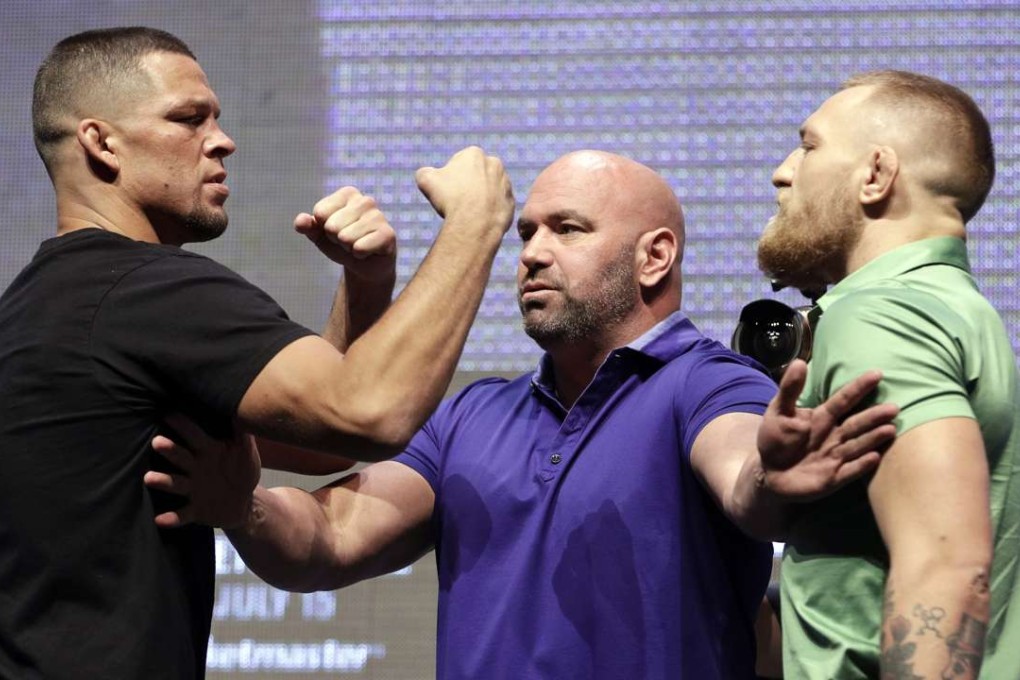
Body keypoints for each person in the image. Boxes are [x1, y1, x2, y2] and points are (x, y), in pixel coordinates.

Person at [151, 150, 899, 679]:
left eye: (566, 230)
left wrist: (772, 475)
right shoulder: (474, 414)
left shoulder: (706, 382)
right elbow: (331, 537)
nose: (533, 254)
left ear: (655, 257)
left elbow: (742, 475)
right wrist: (240, 508)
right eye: (526, 233)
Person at [0, 26, 514, 679]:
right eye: (187, 119)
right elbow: (372, 414)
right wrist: (474, 225)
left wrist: (366, 283)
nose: (221, 140)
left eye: (215, 117)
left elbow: (321, 445)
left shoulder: (39, 305)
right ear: (101, 144)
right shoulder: (150, 293)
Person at [756, 70, 1020, 679]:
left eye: (810, 145)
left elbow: (945, 565)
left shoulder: (879, 313)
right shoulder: (954, 307)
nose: (783, 170)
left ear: (876, 175)